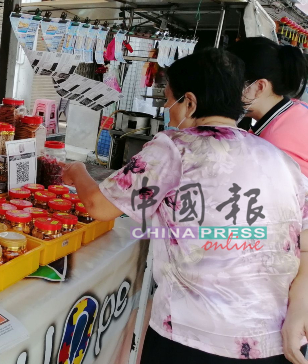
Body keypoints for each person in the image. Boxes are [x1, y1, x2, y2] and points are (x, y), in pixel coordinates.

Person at [63, 48, 308, 363]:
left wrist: (77, 171)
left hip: (192, 339)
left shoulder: (175, 148)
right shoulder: (278, 158)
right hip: (273, 341)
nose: (167, 108)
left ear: (189, 102)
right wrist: (300, 306)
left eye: (168, 100)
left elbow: (99, 206)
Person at [228, 37, 308, 176]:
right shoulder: (298, 108)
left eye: (230, 83)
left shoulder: (273, 146)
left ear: (259, 86)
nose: (224, 90)